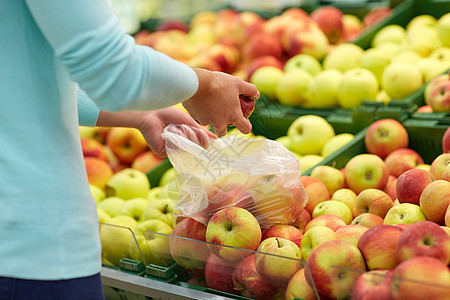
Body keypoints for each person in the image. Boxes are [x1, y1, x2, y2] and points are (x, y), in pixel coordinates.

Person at [0, 0, 259, 299]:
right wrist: (205, 86)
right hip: (33, 252)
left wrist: (140, 115)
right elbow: (110, 66)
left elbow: (19, 84)